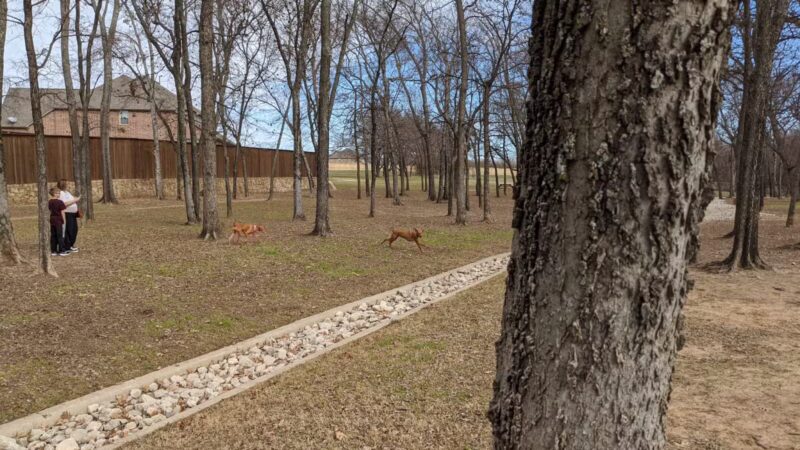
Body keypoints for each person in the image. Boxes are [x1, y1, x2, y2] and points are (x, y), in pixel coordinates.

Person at [49, 187, 78, 256]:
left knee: (53, 235)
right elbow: (62, 212)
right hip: (59, 220)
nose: (58, 194)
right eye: (56, 193)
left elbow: (50, 210)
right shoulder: (60, 202)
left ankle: (53, 250)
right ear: (53, 194)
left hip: (52, 220)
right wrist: (64, 221)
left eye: (59, 193)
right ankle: (62, 250)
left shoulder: (49, 201)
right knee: (60, 235)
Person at [57, 179, 80, 252]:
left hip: (73, 214)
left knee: (74, 229)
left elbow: (72, 200)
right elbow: (64, 204)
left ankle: (71, 245)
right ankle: (67, 246)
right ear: (63, 184)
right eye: (67, 183)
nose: (69, 185)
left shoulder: (67, 192)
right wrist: (74, 200)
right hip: (67, 213)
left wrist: (75, 199)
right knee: (69, 230)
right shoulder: (61, 193)